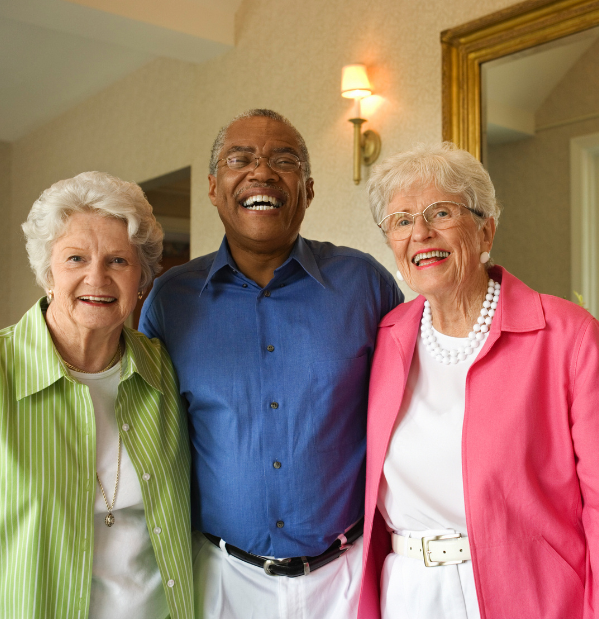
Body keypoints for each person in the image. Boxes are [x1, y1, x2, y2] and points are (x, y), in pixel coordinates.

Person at [357, 143, 599, 619]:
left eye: (441, 212)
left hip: (530, 596)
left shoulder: (569, 337)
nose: (421, 233)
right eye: (402, 220)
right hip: (406, 595)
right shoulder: (387, 335)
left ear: (485, 228)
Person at [139, 109, 402, 619]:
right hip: (220, 580)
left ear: (306, 189)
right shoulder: (171, 300)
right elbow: (147, 431)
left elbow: (411, 413)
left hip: (344, 578)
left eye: (283, 160)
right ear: (215, 188)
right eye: (241, 159)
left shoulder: (364, 285)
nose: (261, 172)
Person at [0, 171, 193, 618]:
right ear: (47, 272)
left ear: (142, 279)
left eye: (118, 261)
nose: (96, 278)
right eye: (76, 258)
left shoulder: (164, 371)